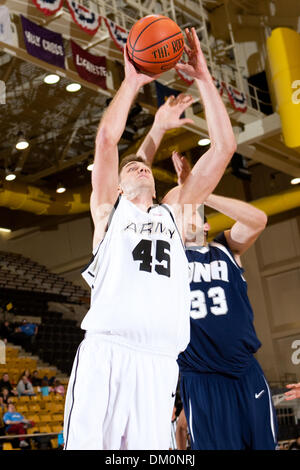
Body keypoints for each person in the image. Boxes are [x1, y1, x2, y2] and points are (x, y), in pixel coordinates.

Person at [63, 27, 236, 450]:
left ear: (158, 188)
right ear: (118, 187)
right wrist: (133, 81)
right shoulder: (109, 211)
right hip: (107, 352)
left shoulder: (175, 214)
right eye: (129, 169)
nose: (137, 167)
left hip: (160, 364)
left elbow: (224, 147)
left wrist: (204, 79)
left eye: (142, 167)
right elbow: (107, 141)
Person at [170, 151, 278, 450]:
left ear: (206, 225)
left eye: (193, 210)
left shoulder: (225, 248)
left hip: (245, 370)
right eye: (181, 211)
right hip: (201, 379)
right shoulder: (166, 260)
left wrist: (202, 192)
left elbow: (257, 219)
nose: (187, 210)